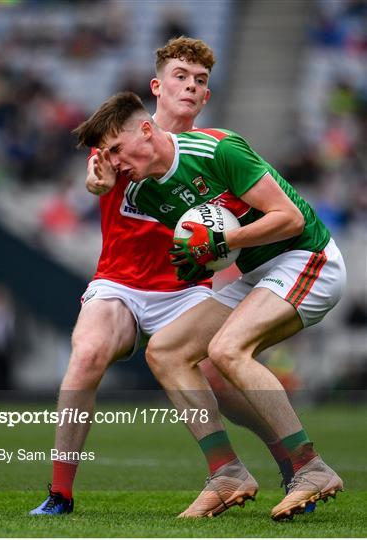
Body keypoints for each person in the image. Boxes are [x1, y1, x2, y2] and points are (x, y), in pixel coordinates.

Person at [31, 37, 294, 517]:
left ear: (206, 96)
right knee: (87, 353)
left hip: (185, 288)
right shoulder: (122, 133)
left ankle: (290, 464)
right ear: (157, 86)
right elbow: (95, 175)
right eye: (180, 77)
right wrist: (94, 183)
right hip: (120, 283)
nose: (190, 87)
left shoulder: (213, 152)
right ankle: (59, 494)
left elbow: (234, 221)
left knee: (224, 377)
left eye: (199, 81)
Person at [73, 91, 346, 521]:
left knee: (225, 350)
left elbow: (290, 218)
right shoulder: (144, 193)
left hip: (308, 258)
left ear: (146, 130)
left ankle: (309, 466)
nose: (114, 162)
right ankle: (226, 473)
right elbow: (202, 253)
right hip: (259, 273)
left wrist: (226, 240)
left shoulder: (219, 148)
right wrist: (104, 192)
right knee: (165, 351)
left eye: (115, 150)